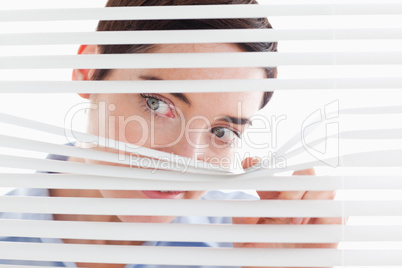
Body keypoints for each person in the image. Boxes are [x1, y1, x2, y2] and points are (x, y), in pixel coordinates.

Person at [0, 0, 340, 267]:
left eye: (222, 131)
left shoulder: (255, 243)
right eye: (157, 105)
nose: (184, 162)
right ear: (89, 68)